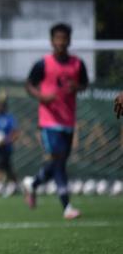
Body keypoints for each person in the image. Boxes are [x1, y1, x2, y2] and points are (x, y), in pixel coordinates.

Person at [22, 23, 88, 219]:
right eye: (57, 38)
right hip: (49, 120)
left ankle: (32, 184)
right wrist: (41, 96)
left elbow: (84, 84)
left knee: (59, 162)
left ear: (69, 40)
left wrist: (78, 86)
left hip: (68, 119)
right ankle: (67, 207)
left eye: (64, 38)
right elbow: (29, 84)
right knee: (58, 160)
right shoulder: (43, 64)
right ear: (52, 41)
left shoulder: (77, 64)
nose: (61, 42)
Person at [0, 94, 19, 195]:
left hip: (7, 148)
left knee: (1, 166)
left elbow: (15, 133)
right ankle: (15, 185)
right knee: (8, 168)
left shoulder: (9, 118)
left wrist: (7, 140)